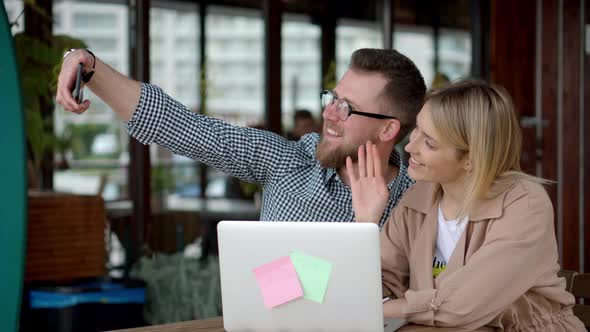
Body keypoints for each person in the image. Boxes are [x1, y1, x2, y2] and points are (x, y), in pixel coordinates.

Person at [56, 48, 426, 227]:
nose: (329, 112)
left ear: (388, 128)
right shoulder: (287, 161)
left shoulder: (422, 197)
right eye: (332, 98)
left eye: (347, 107)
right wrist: (89, 67)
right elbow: (182, 126)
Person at [349, 81, 585, 330]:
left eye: (429, 142)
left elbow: (462, 305)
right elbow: (381, 284)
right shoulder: (417, 199)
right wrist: (365, 223)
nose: (409, 147)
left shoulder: (525, 204)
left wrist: (380, 309)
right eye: (417, 129)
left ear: (472, 159)